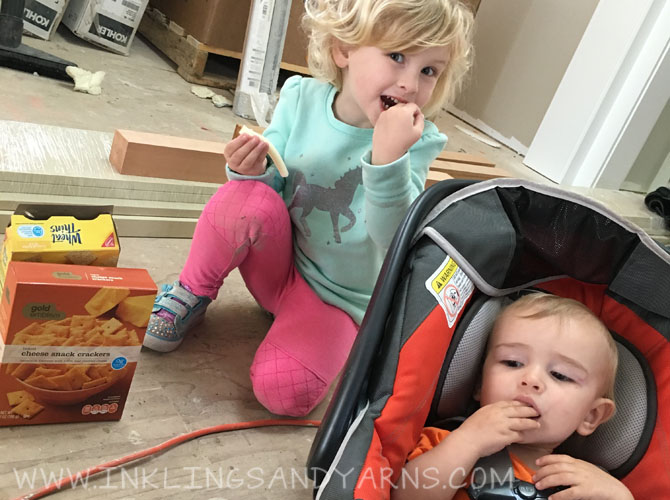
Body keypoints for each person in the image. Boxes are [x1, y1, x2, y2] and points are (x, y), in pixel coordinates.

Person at [142, 0, 474, 417]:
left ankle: (307, 334)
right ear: (344, 50)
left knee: (285, 394)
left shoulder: (418, 142)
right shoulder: (300, 98)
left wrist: (389, 159)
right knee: (242, 199)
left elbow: (394, 241)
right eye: (396, 56)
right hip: (278, 267)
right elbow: (268, 192)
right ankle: (190, 294)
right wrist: (249, 169)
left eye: (429, 70)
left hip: (337, 301)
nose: (409, 83)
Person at [392, 293, 633, 500]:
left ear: (591, 415)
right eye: (513, 362)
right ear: (480, 384)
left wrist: (621, 496)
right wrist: (468, 443)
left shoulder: (581, 486)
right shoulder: (448, 446)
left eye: (560, 375)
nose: (531, 380)